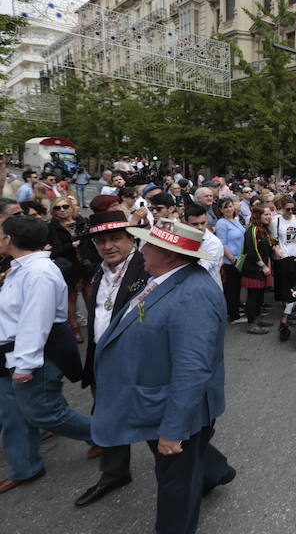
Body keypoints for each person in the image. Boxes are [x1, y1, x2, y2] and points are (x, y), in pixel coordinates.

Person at [91, 218, 235, 533]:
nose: (141, 249)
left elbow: (192, 369)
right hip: (152, 396)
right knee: (187, 462)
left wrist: (173, 430)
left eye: (148, 244)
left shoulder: (192, 294)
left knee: (176, 484)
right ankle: (215, 471)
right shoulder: (164, 276)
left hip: (172, 409)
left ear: (169, 254)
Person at [0, 215, 92, 494]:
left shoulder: (38, 272)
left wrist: (25, 366)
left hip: (31, 352)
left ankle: (104, 435)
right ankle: (26, 466)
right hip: (10, 352)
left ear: (10, 240)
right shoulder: (20, 267)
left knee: (45, 411)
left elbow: (35, 323)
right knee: (13, 413)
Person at [75, 211, 149, 508]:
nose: (108, 246)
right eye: (101, 240)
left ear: (132, 239)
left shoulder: (149, 268)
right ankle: (114, 474)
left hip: (138, 363)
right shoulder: (99, 271)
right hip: (103, 360)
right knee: (108, 419)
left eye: (115, 238)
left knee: (157, 426)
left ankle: (209, 471)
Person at [48, 195, 89, 343]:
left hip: (87, 265)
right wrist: (71, 246)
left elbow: (90, 242)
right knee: (71, 300)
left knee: (91, 298)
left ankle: (97, 327)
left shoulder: (81, 221)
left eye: (65, 206)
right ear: (53, 211)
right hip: (69, 268)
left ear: (71, 207)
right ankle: (75, 329)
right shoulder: (52, 227)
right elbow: (54, 250)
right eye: (57, 208)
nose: (62, 210)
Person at [271, 194, 296, 338]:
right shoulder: (276, 220)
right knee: (285, 283)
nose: (291, 212)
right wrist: (275, 249)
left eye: (293, 209)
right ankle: (288, 307)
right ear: (281, 208)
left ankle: (294, 307)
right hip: (283, 255)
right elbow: (273, 239)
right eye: (288, 209)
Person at [241, 205, 276, 334]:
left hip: (261, 268)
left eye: (269, 215)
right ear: (258, 216)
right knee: (252, 296)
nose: (269, 217)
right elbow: (252, 250)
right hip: (253, 269)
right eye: (265, 215)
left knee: (259, 295)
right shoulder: (252, 230)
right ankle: (251, 323)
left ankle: (256, 318)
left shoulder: (263, 229)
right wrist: (263, 266)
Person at [215, 198, 246, 324]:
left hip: (240, 258)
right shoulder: (221, 223)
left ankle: (235, 309)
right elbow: (222, 244)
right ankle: (234, 316)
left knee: (237, 287)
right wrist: (233, 260)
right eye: (225, 207)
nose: (228, 209)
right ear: (221, 210)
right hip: (231, 261)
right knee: (232, 289)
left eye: (230, 206)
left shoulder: (236, 219)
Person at [182, 204, 224, 289]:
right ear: (186, 223)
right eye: (195, 224)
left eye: (202, 223)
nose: (200, 227)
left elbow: (202, 269)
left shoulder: (214, 243)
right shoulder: (182, 237)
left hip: (209, 290)